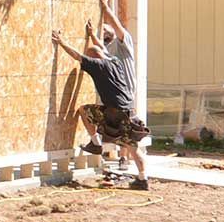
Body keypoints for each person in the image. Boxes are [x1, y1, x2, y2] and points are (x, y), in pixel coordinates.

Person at [50, 10, 150, 189]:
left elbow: (77, 56)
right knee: (133, 147)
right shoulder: (114, 61)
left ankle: (96, 144)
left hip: (113, 111)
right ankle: (143, 179)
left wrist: (61, 42)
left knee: (83, 110)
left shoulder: (97, 65)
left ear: (93, 58)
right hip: (128, 110)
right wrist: (91, 36)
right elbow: (101, 50)